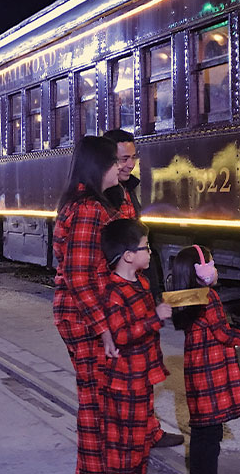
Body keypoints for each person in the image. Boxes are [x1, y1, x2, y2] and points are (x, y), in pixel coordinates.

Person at [53, 135, 136, 474]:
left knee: (101, 399)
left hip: (88, 315)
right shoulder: (89, 209)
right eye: (116, 162)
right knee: (96, 402)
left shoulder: (94, 203)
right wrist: (104, 329)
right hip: (85, 319)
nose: (123, 166)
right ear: (101, 166)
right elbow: (79, 276)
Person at [103, 128, 185, 449]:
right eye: (124, 158)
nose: (130, 165)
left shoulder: (127, 190)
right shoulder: (104, 195)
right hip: (121, 292)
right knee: (128, 374)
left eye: (133, 157)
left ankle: (149, 430)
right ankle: (132, 436)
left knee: (146, 361)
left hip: (137, 285)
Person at [170, 244, 240, 474]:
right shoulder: (209, 297)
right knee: (211, 436)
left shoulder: (187, 298)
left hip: (196, 376)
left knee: (200, 431)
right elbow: (223, 333)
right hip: (210, 376)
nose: (215, 270)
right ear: (201, 271)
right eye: (211, 264)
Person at [99, 218, 172, 474]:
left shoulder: (141, 283)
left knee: (141, 438)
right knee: (127, 442)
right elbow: (120, 335)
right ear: (129, 256)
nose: (150, 251)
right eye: (146, 247)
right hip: (126, 380)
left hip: (143, 374)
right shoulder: (114, 292)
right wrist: (156, 317)